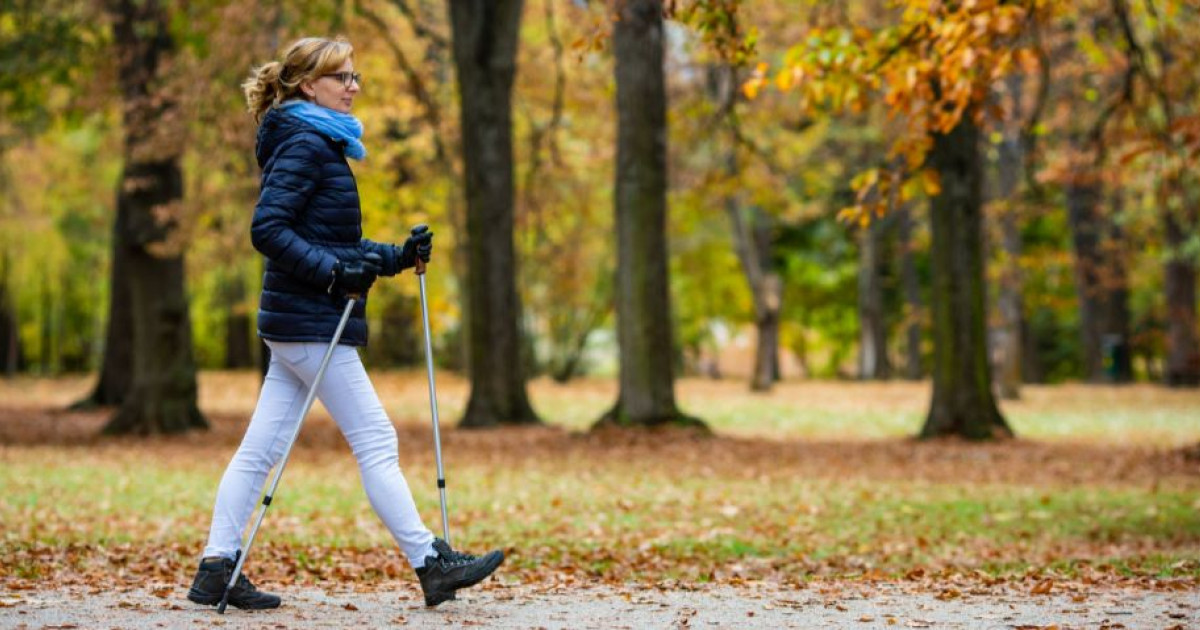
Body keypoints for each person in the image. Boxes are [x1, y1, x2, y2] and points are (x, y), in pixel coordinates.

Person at [186, 36, 503, 611]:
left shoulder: (317, 142)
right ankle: (431, 562)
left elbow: (338, 243)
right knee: (377, 440)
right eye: (343, 78)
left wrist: (398, 257)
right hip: (311, 322)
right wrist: (334, 275)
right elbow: (268, 230)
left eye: (356, 77)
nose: (353, 87)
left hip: (298, 322)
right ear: (310, 85)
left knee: (260, 452)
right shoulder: (306, 144)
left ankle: (216, 569)